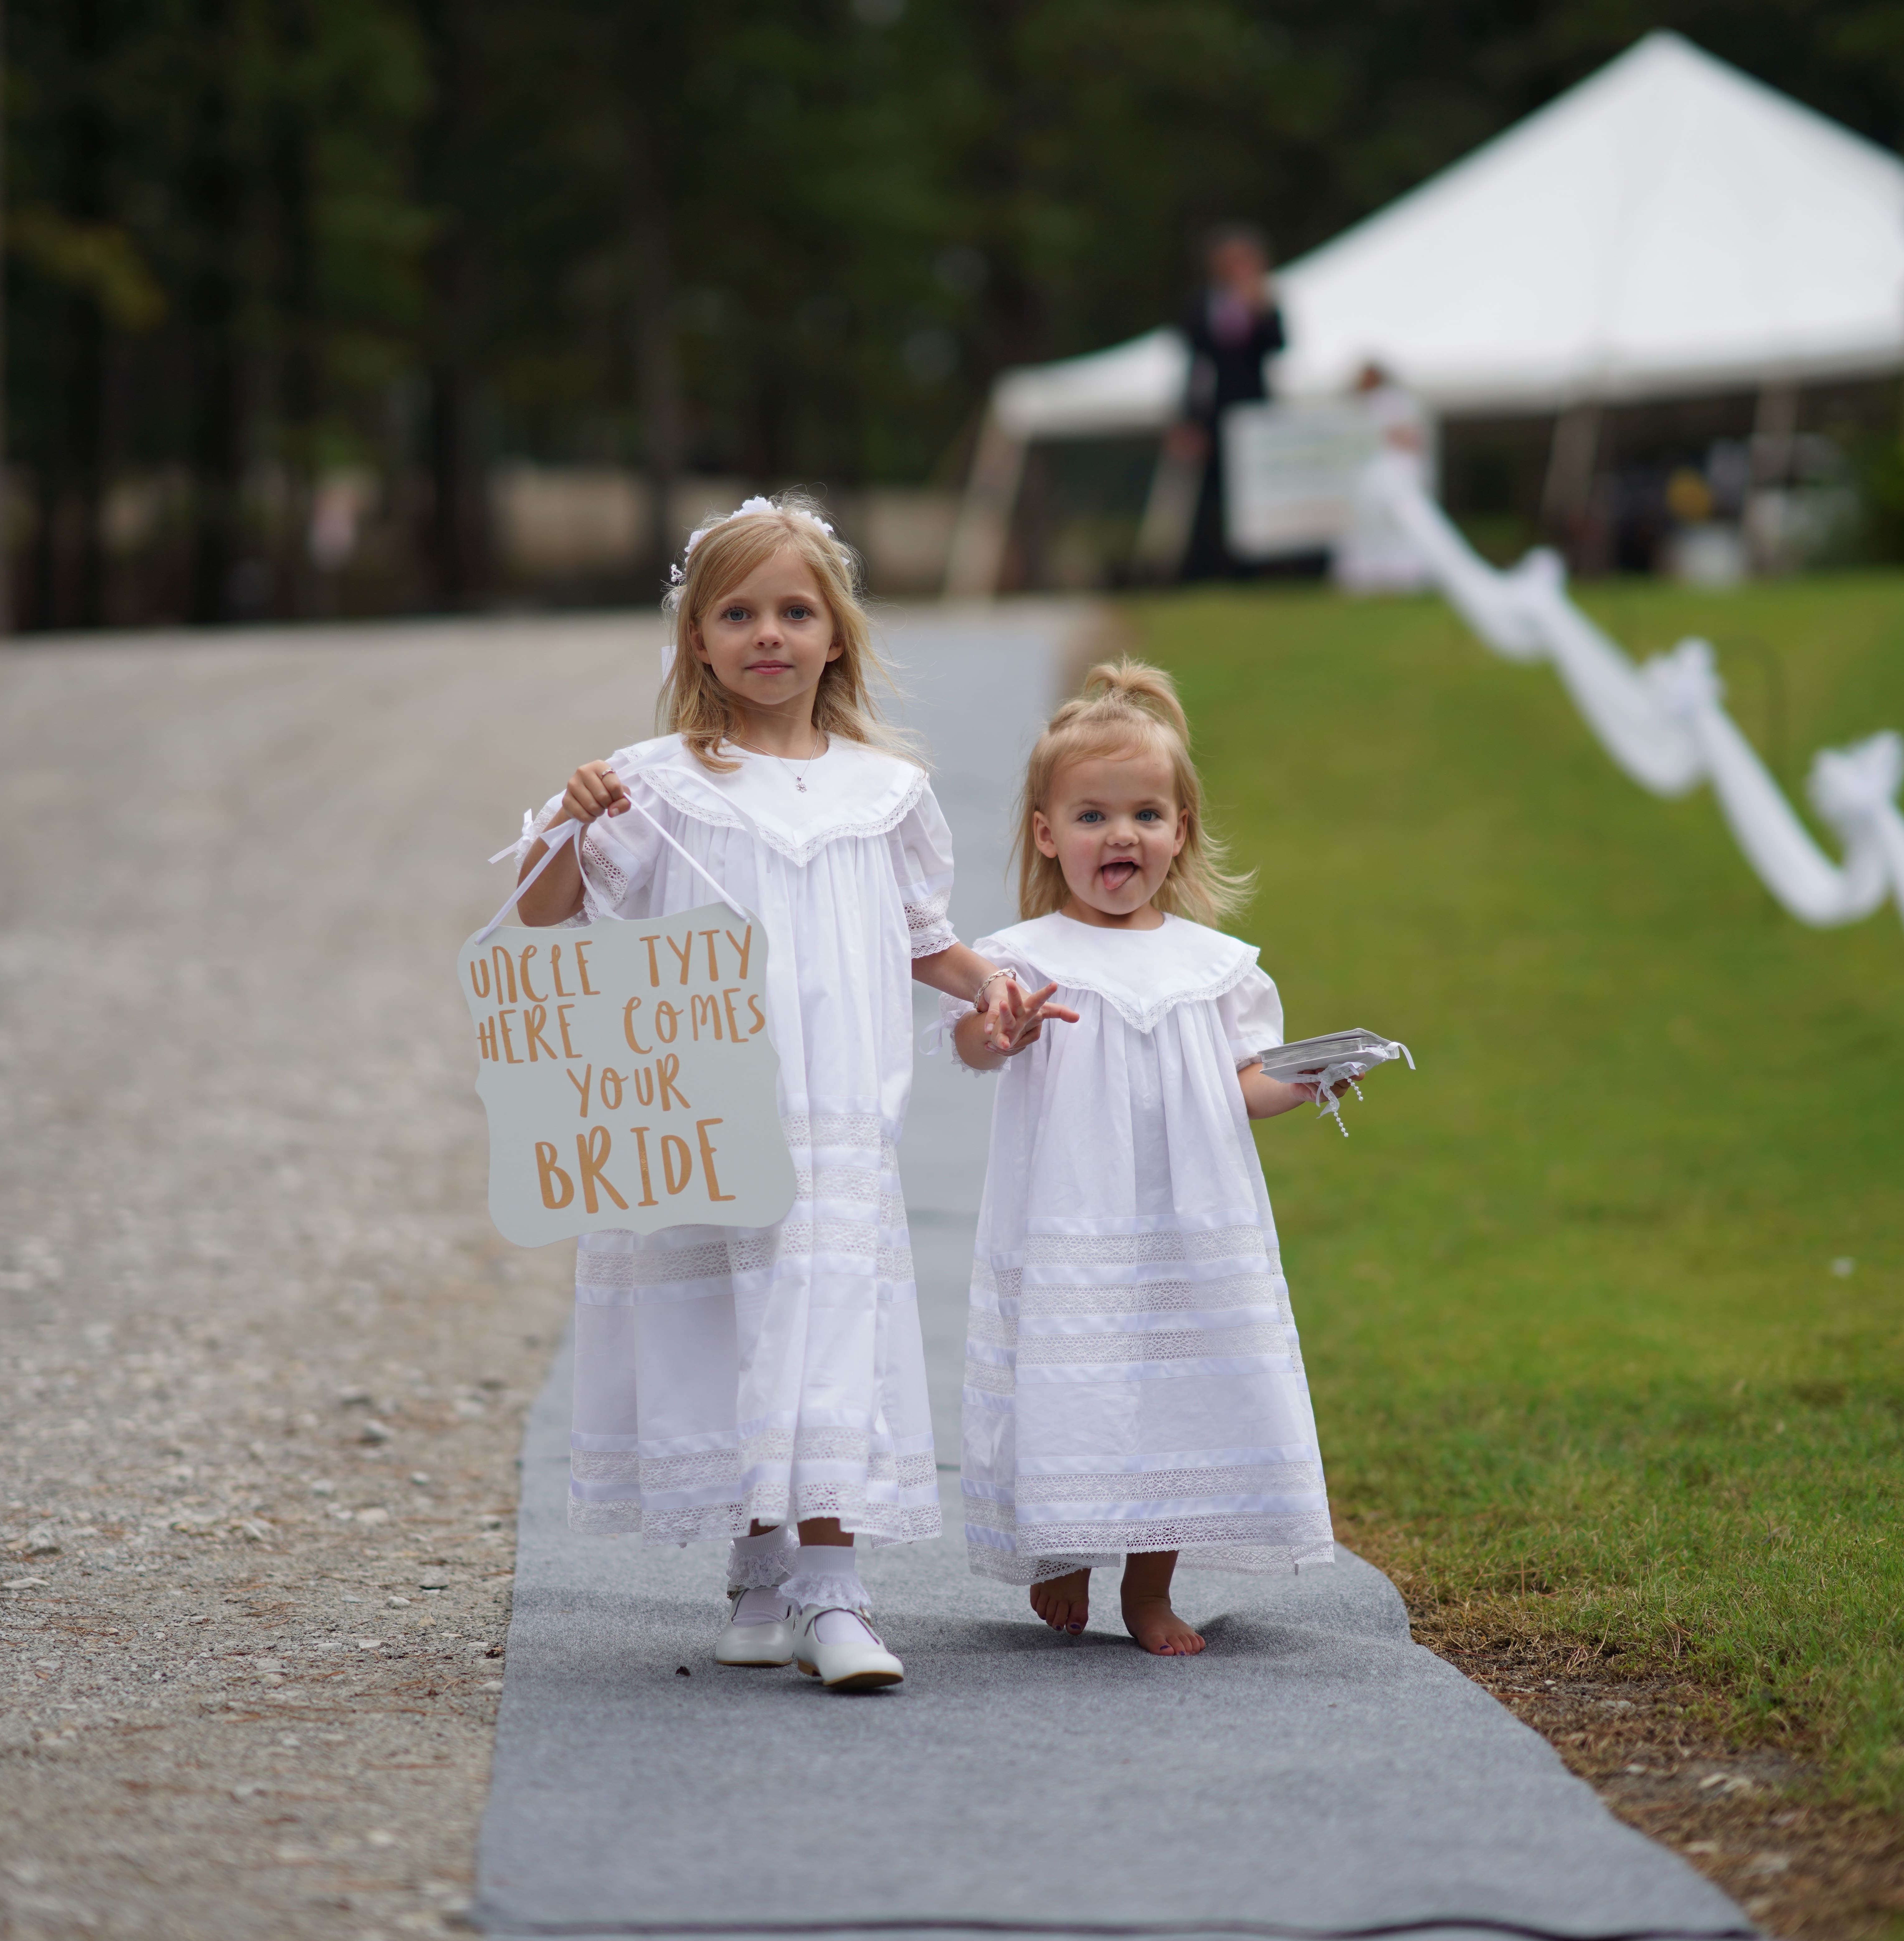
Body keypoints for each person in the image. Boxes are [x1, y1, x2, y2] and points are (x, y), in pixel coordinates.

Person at [505, 495, 1051, 1693]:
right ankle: (759, 1577)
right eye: (738, 613)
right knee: (736, 1330)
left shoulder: (886, 792)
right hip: (717, 1106)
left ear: (837, 635)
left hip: (844, 1112)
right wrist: (569, 822)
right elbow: (545, 921)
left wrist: (992, 990)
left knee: (829, 1327)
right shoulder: (654, 787)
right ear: (695, 639)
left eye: (795, 612)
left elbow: (923, 940)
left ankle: (833, 1595)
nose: (770, 635)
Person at [946, 662, 1351, 1655]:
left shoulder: (1218, 969)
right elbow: (968, 1045)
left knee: (1173, 1388)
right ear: (1048, 835)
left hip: (1183, 1214)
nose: (1118, 835)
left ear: (1180, 833)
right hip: (1071, 1213)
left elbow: (1239, 1086)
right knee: (1076, 1375)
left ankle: (1149, 1589)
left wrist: (1307, 1084)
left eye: (1144, 814)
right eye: (1091, 816)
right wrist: (1000, 1031)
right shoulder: (1021, 958)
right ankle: (1068, 1553)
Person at [1169, 225, 1287, 582]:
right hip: (1214, 413)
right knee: (1211, 497)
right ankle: (1206, 570)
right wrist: (1187, 419)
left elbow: (1278, 346)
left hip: (1254, 411)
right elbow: (1193, 366)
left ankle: (1256, 571)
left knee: (1255, 493)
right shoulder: (1202, 303)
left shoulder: (1263, 301)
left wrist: (1259, 308)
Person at [1331, 360, 1438, 594]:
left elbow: (1409, 438)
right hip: (1370, 478)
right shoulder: (1358, 405)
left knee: (1398, 526)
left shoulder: (1396, 402)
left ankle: (1403, 574)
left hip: (1391, 474)